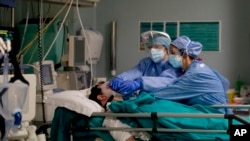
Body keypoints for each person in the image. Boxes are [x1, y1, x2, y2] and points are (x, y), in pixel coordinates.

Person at [152, 36, 231, 114]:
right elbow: (225, 82)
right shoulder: (199, 67)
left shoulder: (195, 73)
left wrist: (146, 96)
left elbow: (170, 92)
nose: (170, 57)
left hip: (214, 114)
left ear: (185, 55)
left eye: (173, 53)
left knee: (153, 107)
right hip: (217, 111)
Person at [109, 31, 182, 98]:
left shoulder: (173, 64)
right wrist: (120, 78)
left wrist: (140, 82)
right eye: (150, 47)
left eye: (157, 47)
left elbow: (167, 81)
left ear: (166, 49)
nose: (152, 50)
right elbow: (134, 72)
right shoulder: (147, 62)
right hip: (146, 99)